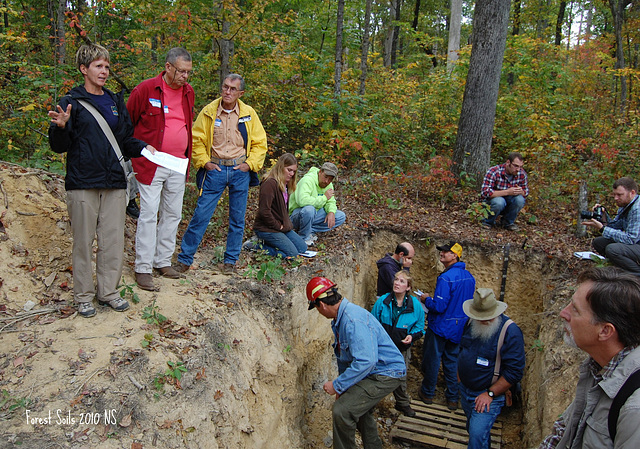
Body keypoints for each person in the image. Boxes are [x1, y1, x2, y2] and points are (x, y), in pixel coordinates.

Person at [47, 44, 155, 318]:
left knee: (112, 241)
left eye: (106, 66)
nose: (104, 71)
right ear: (84, 69)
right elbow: (59, 146)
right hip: (83, 183)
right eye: (98, 66)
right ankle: (83, 296)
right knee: (83, 242)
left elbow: (124, 140)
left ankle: (108, 292)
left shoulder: (114, 101)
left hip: (115, 183)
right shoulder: (70, 101)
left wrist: (143, 148)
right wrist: (60, 127)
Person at [175, 74, 267, 275]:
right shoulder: (209, 111)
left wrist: (249, 164)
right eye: (225, 87)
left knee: (237, 219)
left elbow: (260, 143)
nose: (227, 92)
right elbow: (196, 139)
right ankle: (184, 259)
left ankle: (230, 261)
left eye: (233, 89)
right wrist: (204, 162)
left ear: (240, 93)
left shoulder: (249, 114)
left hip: (239, 171)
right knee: (201, 215)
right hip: (214, 170)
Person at [539, 267, 640, 448]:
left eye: (575, 310)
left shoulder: (634, 410)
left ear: (605, 331)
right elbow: (562, 433)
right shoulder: (598, 369)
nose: (563, 313)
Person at [307, 277, 406, 449]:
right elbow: (348, 359)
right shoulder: (341, 318)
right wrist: (344, 387)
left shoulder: (352, 321)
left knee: (342, 411)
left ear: (321, 306)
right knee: (358, 409)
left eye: (316, 308)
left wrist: (337, 385)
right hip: (375, 370)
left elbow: (366, 361)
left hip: (386, 372)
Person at [127, 47, 195, 291]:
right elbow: (128, 121)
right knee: (148, 213)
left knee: (173, 213)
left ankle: (163, 261)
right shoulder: (146, 89)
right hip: (151, 164)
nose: (185, 77)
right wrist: (137, 150)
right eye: (181, 71)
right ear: (167, 67)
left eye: (188, 72)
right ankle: (143, 267)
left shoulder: (188, 93)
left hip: (178, 163)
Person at [457, 288, 525, 449]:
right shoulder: (470, 323)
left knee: (476, 434)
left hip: (489, 396)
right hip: (466, 390)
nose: (483, 321)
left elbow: (514, 371)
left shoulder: (510, 332)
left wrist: (490, 393)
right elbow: (462, 348)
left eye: (486, 317)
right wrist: (459, 377)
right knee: (474, 431)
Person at [419, 241, 476, 410]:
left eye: (446, 251)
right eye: (442, 251)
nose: (442, 253)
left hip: (440, 327)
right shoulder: (469, 277)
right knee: (452, 362)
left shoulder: (445, 278)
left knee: (432, 360)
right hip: (459, 328)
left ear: (455, 255)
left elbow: (439, 306)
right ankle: (452, 398)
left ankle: (427, 393)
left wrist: (426, 299)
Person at [371, 270, 425, 417]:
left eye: (402, 281)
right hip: (382, 348)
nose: (397, 283)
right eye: (396, 279)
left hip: (402, 348)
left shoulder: (415, 305)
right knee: (376, 374)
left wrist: (411, 337)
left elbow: (420, 326)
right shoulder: (383, 301)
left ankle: (402, 403)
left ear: (408, 287)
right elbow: (372, 323)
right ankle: (371, 404)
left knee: (400, 376)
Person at [252, 153, 307, 258]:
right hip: (267, 228)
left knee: (302, 248)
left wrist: (285, 226)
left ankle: (270, 244)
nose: (292, 174)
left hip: (282, 228)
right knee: (292, 254)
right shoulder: (269, 183)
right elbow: (264, 211)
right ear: (281, 167)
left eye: (294, 171)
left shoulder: (285, 185)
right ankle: (257, 247)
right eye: (289, 170)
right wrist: (278, 226)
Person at [582, 177, 640, 276]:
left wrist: (602, 228)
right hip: (636, 244)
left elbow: (631, 239)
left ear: (632, 193)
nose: (616, 198)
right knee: (599, 242)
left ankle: (635, 273)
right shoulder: (625, 205)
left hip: (636, 242)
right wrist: (604, 217)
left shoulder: (637, 209)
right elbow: (616, 226)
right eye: (614, 195)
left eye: (619, 195)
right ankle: (621, 267)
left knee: (612, 249)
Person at [288, 162, 346, 246]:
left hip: (313, 214)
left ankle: (309, 230)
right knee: (309, 209)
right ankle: (303, 238)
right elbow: (302, 201)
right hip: (295, 216)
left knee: (340, 216)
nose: (327, 181)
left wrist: (331, 212)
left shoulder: (328, 185)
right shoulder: (307, 180)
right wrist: (324, 198)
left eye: (330, 179)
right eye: (325, 177)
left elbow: (331, 201)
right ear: (320, 172)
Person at [480, 152, 529, 231]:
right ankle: (487, 222)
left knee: (520, 199)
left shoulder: (521, 174)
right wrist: (508, 192)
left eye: (520, 167)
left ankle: (508, 222)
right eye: (515, 166)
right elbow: (485, 192)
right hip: (492, 202)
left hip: (509, 201)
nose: (518, 169)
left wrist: (520, 191)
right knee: (499, 201)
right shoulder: (494, 171)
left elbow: (525, 192)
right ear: (508, 163)